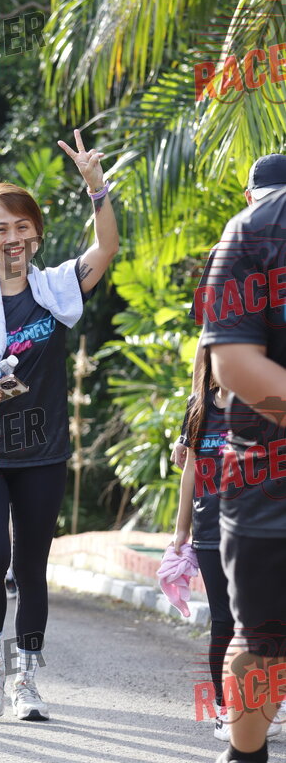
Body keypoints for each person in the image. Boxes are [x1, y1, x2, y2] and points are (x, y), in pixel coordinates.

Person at [0, 130, 119, 721]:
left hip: (41, 450)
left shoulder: (57, 289)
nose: (11, 237)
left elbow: (106, 247)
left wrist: (96, 187)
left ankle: (26, 680)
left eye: (20, 226)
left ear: (35, 231)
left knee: (30, 568)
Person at [197, 165, 286, 762]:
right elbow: (233, 365)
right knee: (264, 642)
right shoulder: (255, 230)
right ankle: (245, 752)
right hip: (268, 479)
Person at [171, 154, 286, 471]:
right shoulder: (227, 253)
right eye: (266, 201)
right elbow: (208, 342)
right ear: (249, 199)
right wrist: (190, 423)